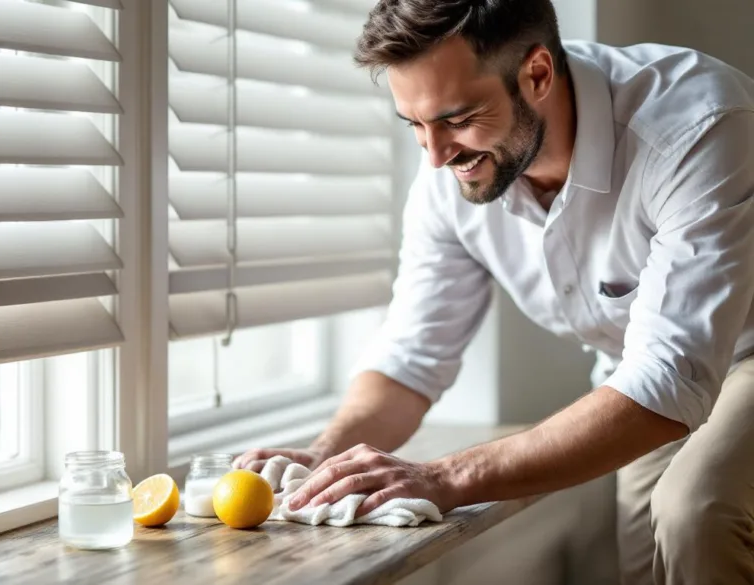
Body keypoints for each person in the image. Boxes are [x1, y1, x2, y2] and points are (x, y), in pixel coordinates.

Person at [232, 1, 754, 583]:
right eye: (414, 124)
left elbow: (670, 374)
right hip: (634, 373)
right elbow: (412, 355)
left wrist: (446, 478)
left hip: (742, 351)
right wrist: (326, 453)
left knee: (693, 511)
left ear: (536, 73)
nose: (433, 156)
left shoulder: (697, 126)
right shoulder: (448, 176)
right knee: (646, 568)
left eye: (456, 118)